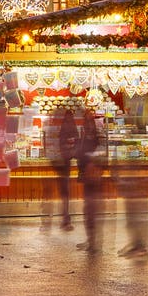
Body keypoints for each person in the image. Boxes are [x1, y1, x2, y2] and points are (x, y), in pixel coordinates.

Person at [74, 105, 105, 255]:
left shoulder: (93, 134)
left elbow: (97, 151)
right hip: (88, 174)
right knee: (88, 208)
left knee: (90, 209)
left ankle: (93, 241)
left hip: (91, 174)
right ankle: (91, 239)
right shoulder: (87, 133)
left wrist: (89, 160)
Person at [45, 105, 77, 230]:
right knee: (65, 190)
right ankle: (65, 217)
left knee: (63, 189)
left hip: (61, 160)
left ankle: (63, 217)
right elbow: (74, 140)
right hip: (63, 160)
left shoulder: (55, 123)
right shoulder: (67, 122)